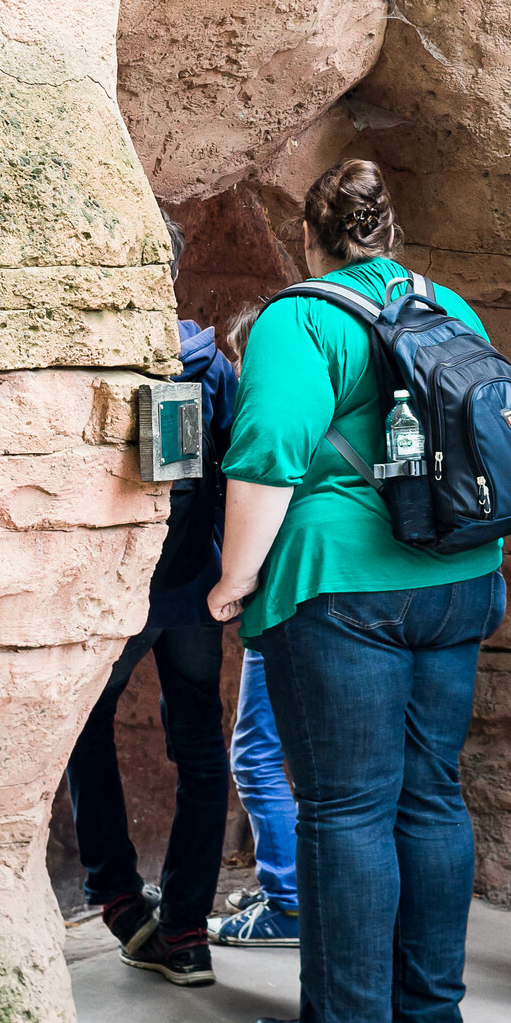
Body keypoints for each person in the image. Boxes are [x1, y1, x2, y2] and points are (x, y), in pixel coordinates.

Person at [206, 159, 506, 1023]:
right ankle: (429, 1012)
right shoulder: (449, 304)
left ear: (312, 238)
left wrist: (232, 580)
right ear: (390, 232)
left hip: (344, 586)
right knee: (429, 789)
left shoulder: (300, 316)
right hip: (459, 572)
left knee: (345, 806)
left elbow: (266, 456)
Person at [62, 222, 237, 988]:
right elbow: (237, 469)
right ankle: (189, 930)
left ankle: (121, 901)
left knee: (79, 724)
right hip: (196, 586)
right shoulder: (213, 367)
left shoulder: (97, 363)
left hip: (122, 595)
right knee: (202, 751)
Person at [208, 303, 300, 952]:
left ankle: (289, 899)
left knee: (256, 748)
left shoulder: (267, 413)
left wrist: (230, 583)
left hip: (280, 598)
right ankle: (286, 886)